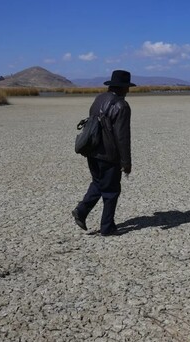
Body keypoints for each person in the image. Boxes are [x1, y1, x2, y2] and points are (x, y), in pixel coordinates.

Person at [72, 70, 135, 236]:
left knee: (99, 183)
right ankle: (107, 227)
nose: (128, 91)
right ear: (122, 88)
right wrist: (126, 162)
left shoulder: (99, 98)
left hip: (92, 150)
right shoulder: (122, 105)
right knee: (111, 191)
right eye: (127, 87)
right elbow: (122, 137)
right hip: (108, 155)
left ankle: (81, 210)